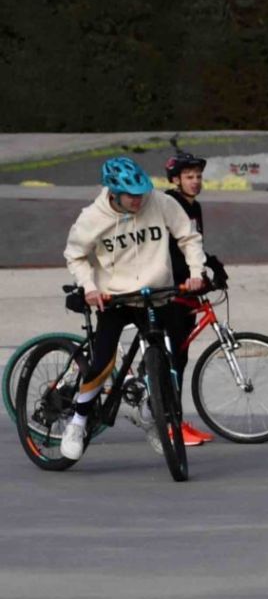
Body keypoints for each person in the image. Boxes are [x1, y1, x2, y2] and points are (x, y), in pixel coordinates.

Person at [57, 156, 208, 462]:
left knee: (170, 357)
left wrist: (196, 272)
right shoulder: (92, 218)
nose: (139, 201)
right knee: (101, 363)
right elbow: (75, 255)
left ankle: (155, 417)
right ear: (113, 193)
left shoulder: (159, 202)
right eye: (132, 196)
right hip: (115, 298)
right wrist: (90, 287)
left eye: (142, 194)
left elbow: (188, 237)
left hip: (155, 293)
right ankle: (78, 421)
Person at [162, 150, 219, 445]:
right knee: (171, 359)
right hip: (172, 291)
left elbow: (193, 246)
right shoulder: (169, 205)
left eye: (198, 176)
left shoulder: (194, 207)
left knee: (180, 358)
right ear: (175, 180)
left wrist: (209, 268)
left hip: (189, 290)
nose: (196, 182)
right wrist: (181, 279)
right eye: (189, 177)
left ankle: (177, 418)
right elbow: (169, 252)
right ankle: (170, 425)